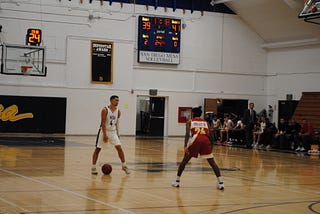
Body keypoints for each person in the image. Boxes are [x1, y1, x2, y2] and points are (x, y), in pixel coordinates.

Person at [171, 106, 224, 190]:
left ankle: (177, 181)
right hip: (206, 140)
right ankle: (221, 183)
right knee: (212, 163)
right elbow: (211, 135)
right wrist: (212, 145)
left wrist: (185, 146)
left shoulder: (190, 121)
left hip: (196, 139)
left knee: (184, 161)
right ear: (200, 114)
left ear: (193, 114)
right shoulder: (206, 122)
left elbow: (187, 134)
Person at [91, 95, 131, 175]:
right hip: (104, 131)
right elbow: (102, 123)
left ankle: (124, 166)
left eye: (118, 100)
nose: (117, 102)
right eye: (116, 100)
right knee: (98, 149)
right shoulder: (105, 110)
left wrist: (118, 134)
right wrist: (105, 135)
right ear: (111, 100)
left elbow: (117, 123)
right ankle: (93, 167)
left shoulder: (118, 111)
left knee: (119, 148)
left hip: (113, 132)